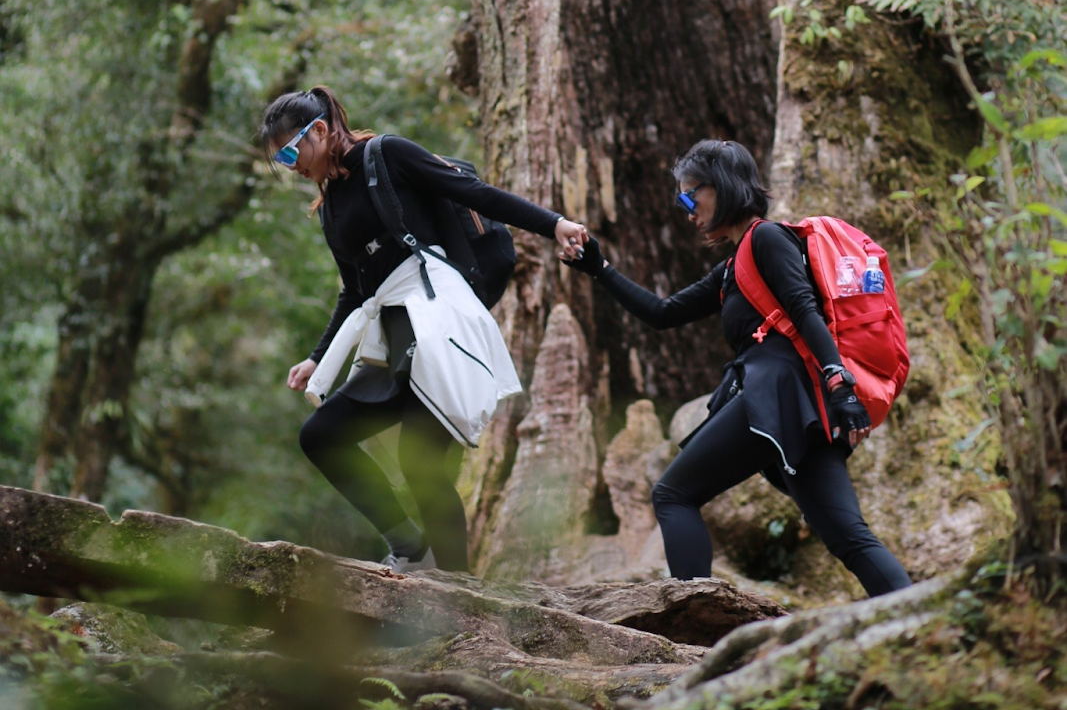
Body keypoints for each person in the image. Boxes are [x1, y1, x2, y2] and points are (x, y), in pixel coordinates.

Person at [264, 85, 588, 573]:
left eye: (291, 150)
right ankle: (408, 543)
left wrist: (553, 223)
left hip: (436, 321)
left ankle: (459, 591)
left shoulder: (387, 155)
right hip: (392, 334)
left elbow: (475, 194)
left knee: (421, 462)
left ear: (322, 131)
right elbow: (355, 291)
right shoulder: (330, 206)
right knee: (322, 436)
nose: (290, 165)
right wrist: (317, 356)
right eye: (279, 159)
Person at [568, 138, 910, 595]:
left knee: (673, 494)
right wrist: (599, 268)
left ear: (723, 186)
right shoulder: (733, 266)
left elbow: (805, 310)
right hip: (798, 411)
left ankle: (695, 624)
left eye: (691, 196)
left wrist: (839, 383)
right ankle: (915, 620)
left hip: (779, 397)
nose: (687, 210)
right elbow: (663, 313)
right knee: (848, 536)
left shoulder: (765, 238)